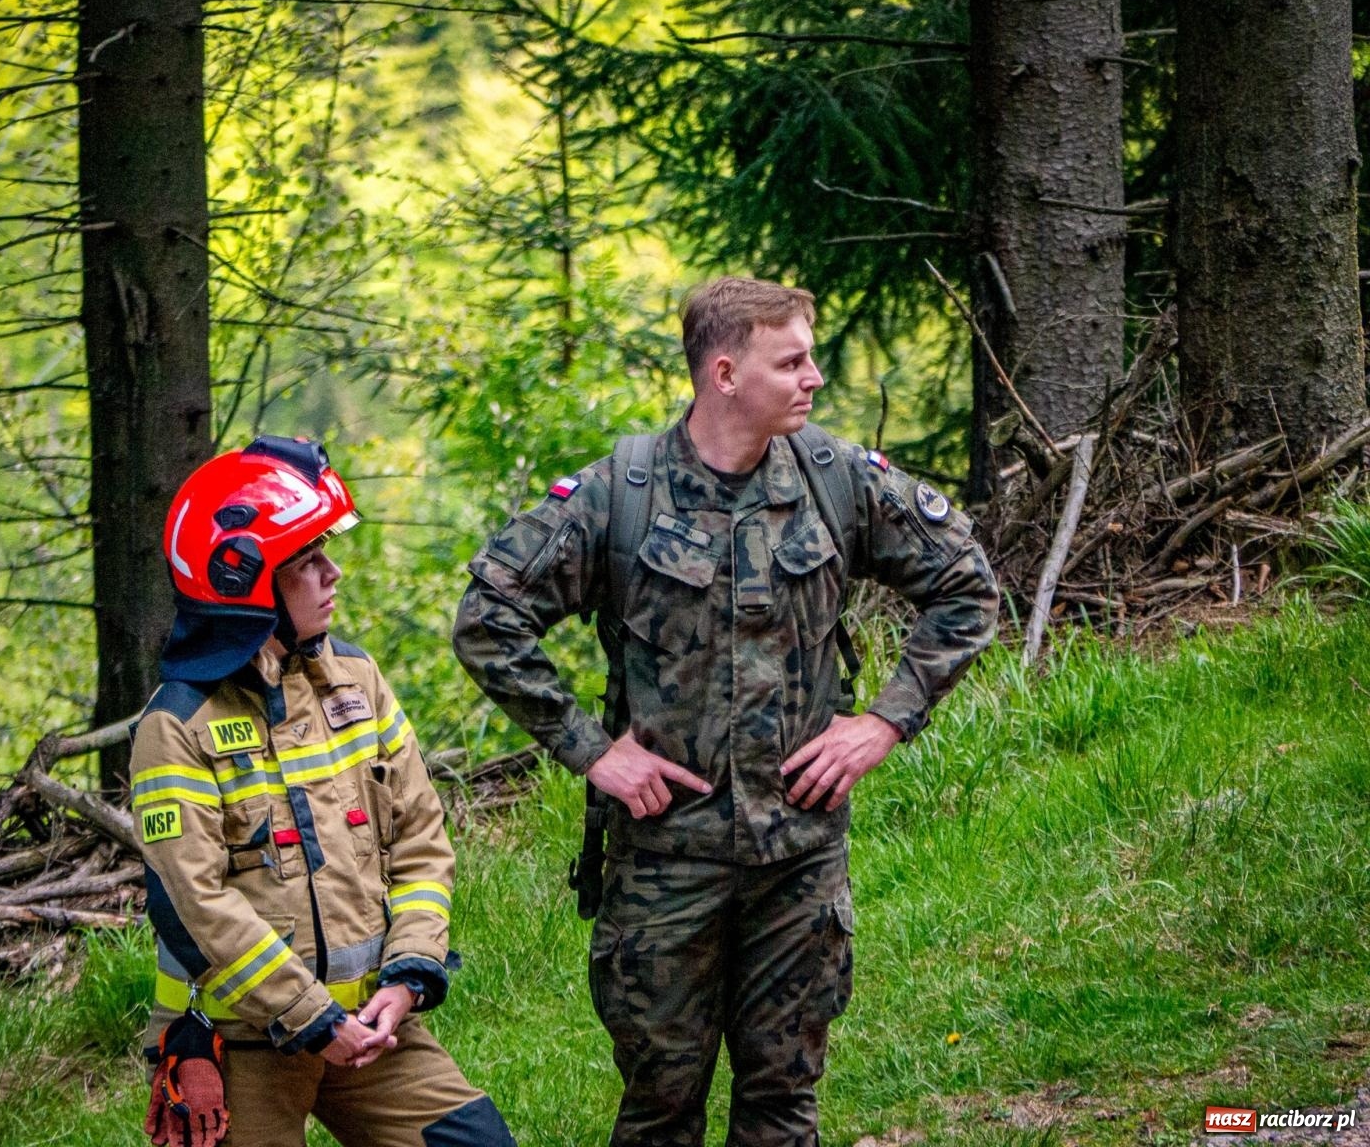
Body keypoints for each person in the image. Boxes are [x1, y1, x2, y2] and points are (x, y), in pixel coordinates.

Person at [452, 276, 999, 1147]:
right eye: (792, 361)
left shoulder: (836, 478)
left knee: (783, 1110)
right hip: (667, 864)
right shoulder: (618, 495)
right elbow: (487, 618)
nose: (814, 376)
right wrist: (592, 751)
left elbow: (967, 586)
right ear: (724, 373)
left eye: (810, 356)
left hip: (799, 861)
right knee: (661, 1113)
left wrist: (886, 720)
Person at [132, 434, 515, 1147]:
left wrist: (409, 975)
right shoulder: (176, 726)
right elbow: (199, 903)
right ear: (248, 585)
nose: (333, 574)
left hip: (372, 1028)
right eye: (309, 561)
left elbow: (423, 842)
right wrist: (311, 1015)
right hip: (241, 1041)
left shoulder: (358, 681)